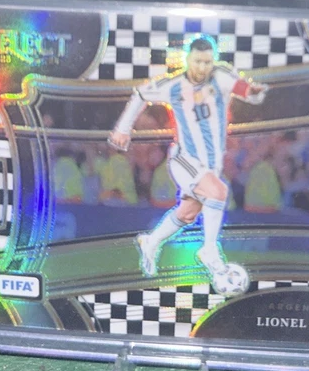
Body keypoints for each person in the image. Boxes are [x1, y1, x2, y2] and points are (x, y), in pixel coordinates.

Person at [108, 36, 268, 288]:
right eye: (198, 61)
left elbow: (246, 92)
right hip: (184, 159)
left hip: (210, 165)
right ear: (188, 60)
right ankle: (209, 250)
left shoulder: (222, 76)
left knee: (188, 213)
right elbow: (140, 94)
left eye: (207, 62)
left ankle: (151, 241)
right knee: (218, 191)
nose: (203, 67)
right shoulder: (173, 85)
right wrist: (123, 128)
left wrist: (255, 93)